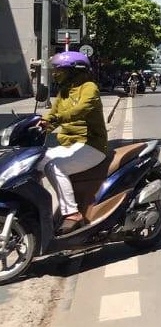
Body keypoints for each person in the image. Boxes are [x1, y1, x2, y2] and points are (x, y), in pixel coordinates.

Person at [38, 51, 108, 235]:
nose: (55, 73)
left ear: (74, 70)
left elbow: (81, 109)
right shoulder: (63, 92)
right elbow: (52, 116)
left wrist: (57, 119)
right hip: (69, 146)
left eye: (59, 69)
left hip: (91, 145)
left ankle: (72, 213)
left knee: (54, 166)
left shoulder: (89, 88)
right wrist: (40, 124)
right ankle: (36, 210)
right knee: (34, 161)